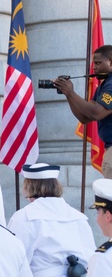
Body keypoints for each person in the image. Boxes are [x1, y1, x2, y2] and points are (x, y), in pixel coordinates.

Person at [54, 46, 112, 178]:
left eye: (98, 63)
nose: (94, 68)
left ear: (111, 62)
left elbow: (96, 113)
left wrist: (70, 92)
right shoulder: (106, 84)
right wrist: (68, 94)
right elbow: (84, 117)